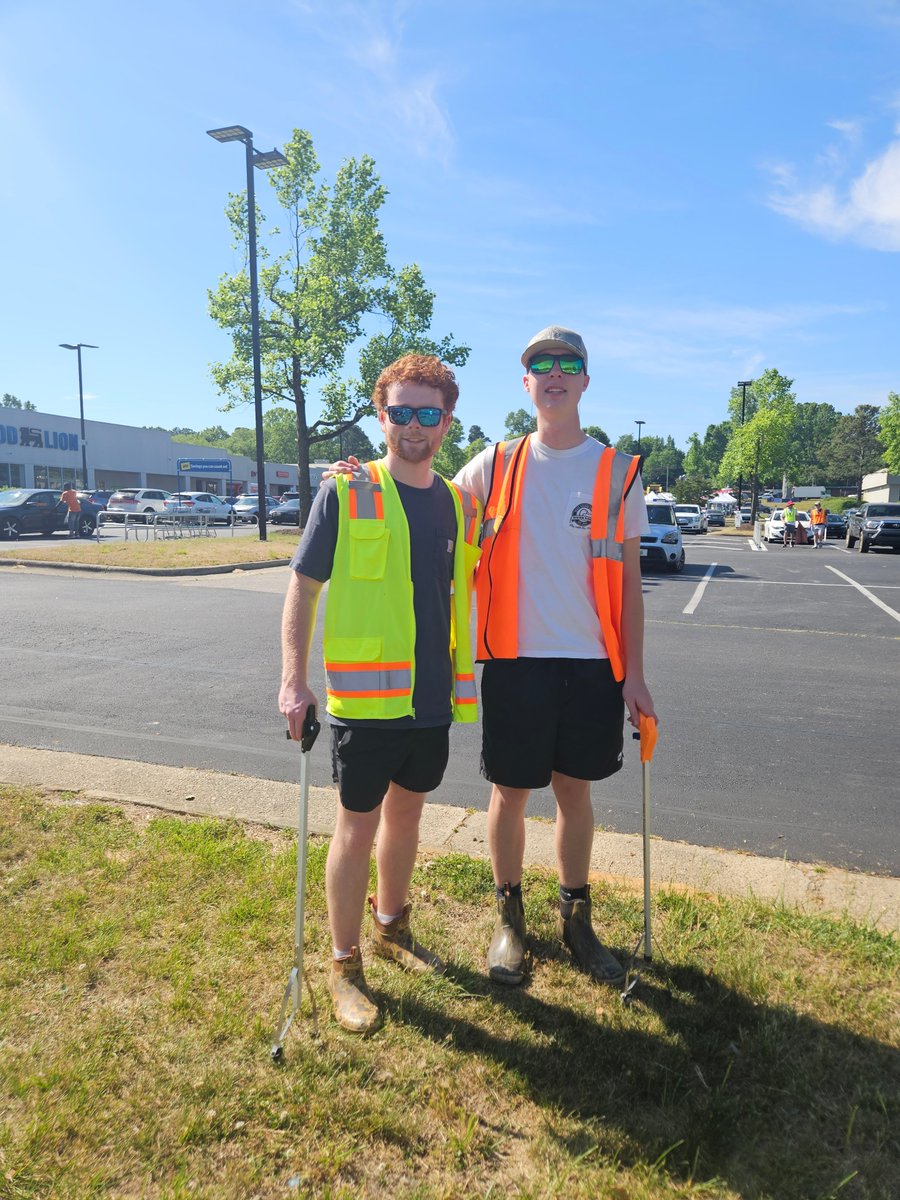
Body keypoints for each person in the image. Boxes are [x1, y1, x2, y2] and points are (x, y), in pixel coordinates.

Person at [278, 354, 481, 1034]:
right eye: (402, 412)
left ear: (447, 422)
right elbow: (303, 588)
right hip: (364, 707)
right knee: (356, 830)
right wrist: (292, 680)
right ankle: (343, 964)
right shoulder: (346, 491)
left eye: (429, 413)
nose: (414, 426)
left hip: (430, 703)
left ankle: (392, 927)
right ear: (381, 413)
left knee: (408, 820)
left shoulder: (458, 502)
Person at [453, 325, 657, 989]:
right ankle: (510, 920)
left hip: (592, 665)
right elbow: (426, 501)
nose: (554, 373)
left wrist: (635, 676)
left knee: (576, 793)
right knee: (509, 793)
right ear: (527, 384)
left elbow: (628, 585)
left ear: (585, 382)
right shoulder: (495, 463)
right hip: (515, 663)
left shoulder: (615, 472)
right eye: (541, 365)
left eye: (568, 363)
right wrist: (358, 477)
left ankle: (576, 918)